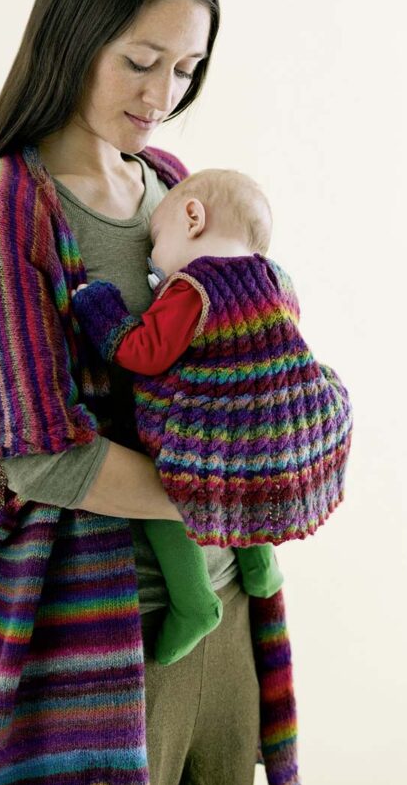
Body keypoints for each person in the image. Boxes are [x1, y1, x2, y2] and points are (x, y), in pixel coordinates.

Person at [0, 0, 352, 785]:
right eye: (140, 61)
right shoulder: (5, 207)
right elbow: (34, 457)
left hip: (232, 622)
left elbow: (252, 346)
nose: (162, 96)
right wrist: (232, 488)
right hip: (97, 648)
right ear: (75, 34)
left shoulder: (175, 187)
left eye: (186, 69)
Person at [70, 169, 292, 666]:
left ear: (192, 218)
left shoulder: (194, 288)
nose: (152, 263)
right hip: (260, 430)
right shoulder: (274, 278)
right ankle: (260, 564)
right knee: (244, 487)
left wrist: (103, 310)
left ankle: (194, 601)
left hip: (200, 431)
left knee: (167, 504)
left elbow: (146, 352)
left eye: (155, 243)